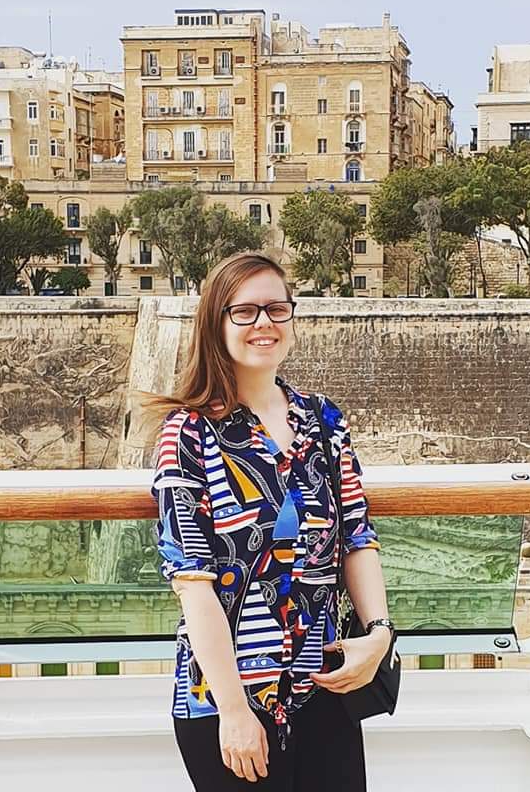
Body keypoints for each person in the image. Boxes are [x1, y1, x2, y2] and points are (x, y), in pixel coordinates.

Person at [144, 251, 393, 790]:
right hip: (224, 698)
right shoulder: (187, 434)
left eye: (277, 309)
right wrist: (234, 711)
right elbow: (192, 581)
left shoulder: (324, 421)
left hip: (325, 683)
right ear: (217, 322)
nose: (264, 323)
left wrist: (379, 635)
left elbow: (356, 535)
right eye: (246, 311)